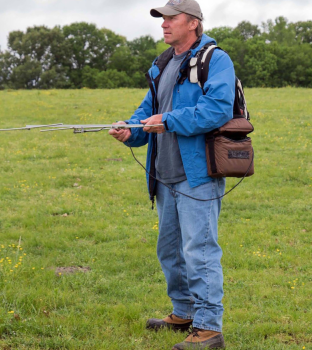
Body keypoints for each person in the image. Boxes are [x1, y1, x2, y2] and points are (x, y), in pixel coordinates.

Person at [109, 0, 235, 348]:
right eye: (162, 18)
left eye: (171, 18)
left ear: (193, 23)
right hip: (163, 174)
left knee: (200, 250)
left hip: (198, 174)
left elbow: (217, 109)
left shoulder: (215, 59)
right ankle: (184, 313)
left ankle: (209, 328)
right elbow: (148, 111)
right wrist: (129, 130)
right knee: (170, 250)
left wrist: (169, 120)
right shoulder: (162, 64)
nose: (164, 24)